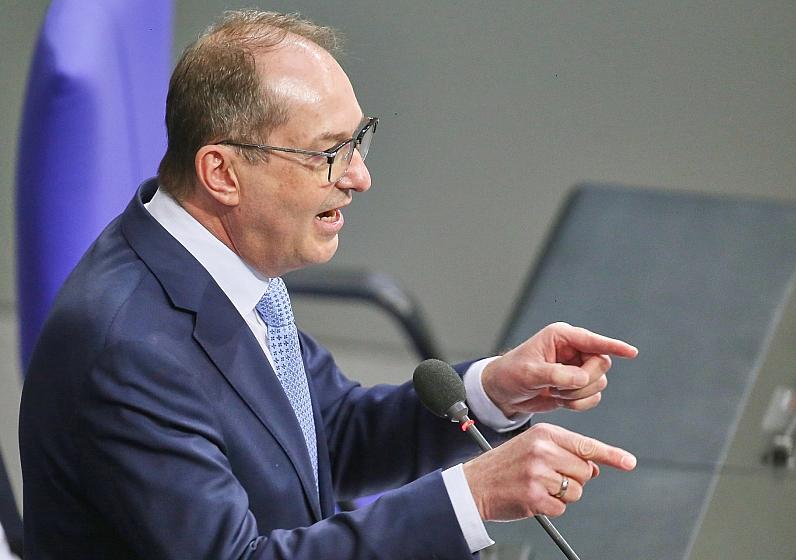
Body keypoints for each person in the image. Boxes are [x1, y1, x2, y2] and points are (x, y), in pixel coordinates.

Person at [19, 10, 638, 559]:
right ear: (222, 173)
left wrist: (494, 390)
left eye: (358, 140)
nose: (360, 176)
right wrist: (471, 498)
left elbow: (325, 438)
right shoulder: (129, 351)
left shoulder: (223, 264)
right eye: (328, 153)